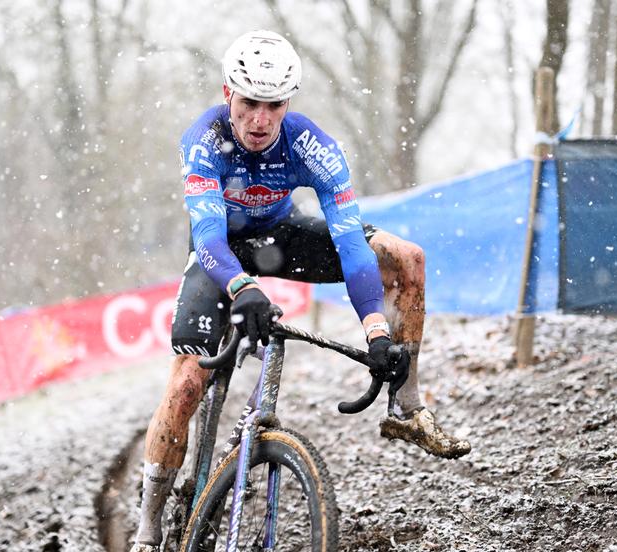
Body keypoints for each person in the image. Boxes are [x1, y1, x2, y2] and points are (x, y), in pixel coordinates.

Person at [130, 30, 471, 552]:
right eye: (249, 103)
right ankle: (148, 531)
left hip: (284, 235)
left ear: (288, 102)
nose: (260, 121)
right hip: (222, 249)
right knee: (185, 387)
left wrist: (377, 331)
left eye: (273, 106)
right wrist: (242, 288)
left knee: (406, 257)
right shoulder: (204, 139)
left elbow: (351, 244)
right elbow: (207, 236)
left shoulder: (312, 145)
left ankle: (407, 409)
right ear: (228, 95)